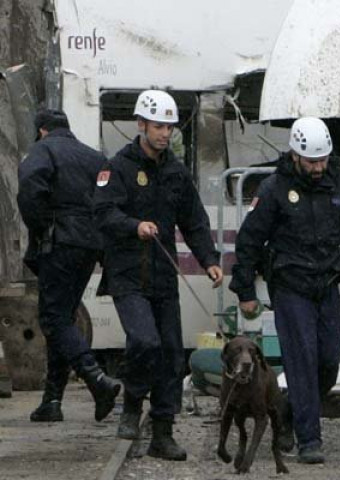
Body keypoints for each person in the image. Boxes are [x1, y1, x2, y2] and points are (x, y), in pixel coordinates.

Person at [229, 117, 340, 464]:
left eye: (323, 160)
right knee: (302, 362)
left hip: (326, 284)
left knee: (328, 363)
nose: (318, 167)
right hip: (290, 286)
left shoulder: (337, 186)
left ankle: (285, 413)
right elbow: (249, 241)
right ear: (296, 155)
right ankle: (310, 440)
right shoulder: (274, 190)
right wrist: (245, 290)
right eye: (311, 161)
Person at [93, 90, 223, 461]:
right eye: (159, 126)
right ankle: (133, 402)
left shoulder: (176, 172)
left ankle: (162, 432)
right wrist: (134, 226)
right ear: (141, 125)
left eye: (169, 126)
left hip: (164, 277)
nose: (165, 133)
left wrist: (209, 259)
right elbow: (102, 213)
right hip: (128, 275)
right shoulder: (117, 167)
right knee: (144, 341)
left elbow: (194, 221)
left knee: (170, 353)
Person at [17, 109, 122, 423]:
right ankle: (52, 400)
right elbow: (111, 200)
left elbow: (30, 191)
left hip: (59, 242)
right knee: (63, 317)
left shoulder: (43, 150)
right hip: (90, 246)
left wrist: (41, 228)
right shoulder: (94, 157)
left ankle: (97, 380)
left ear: (42, 131)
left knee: (52, 318)